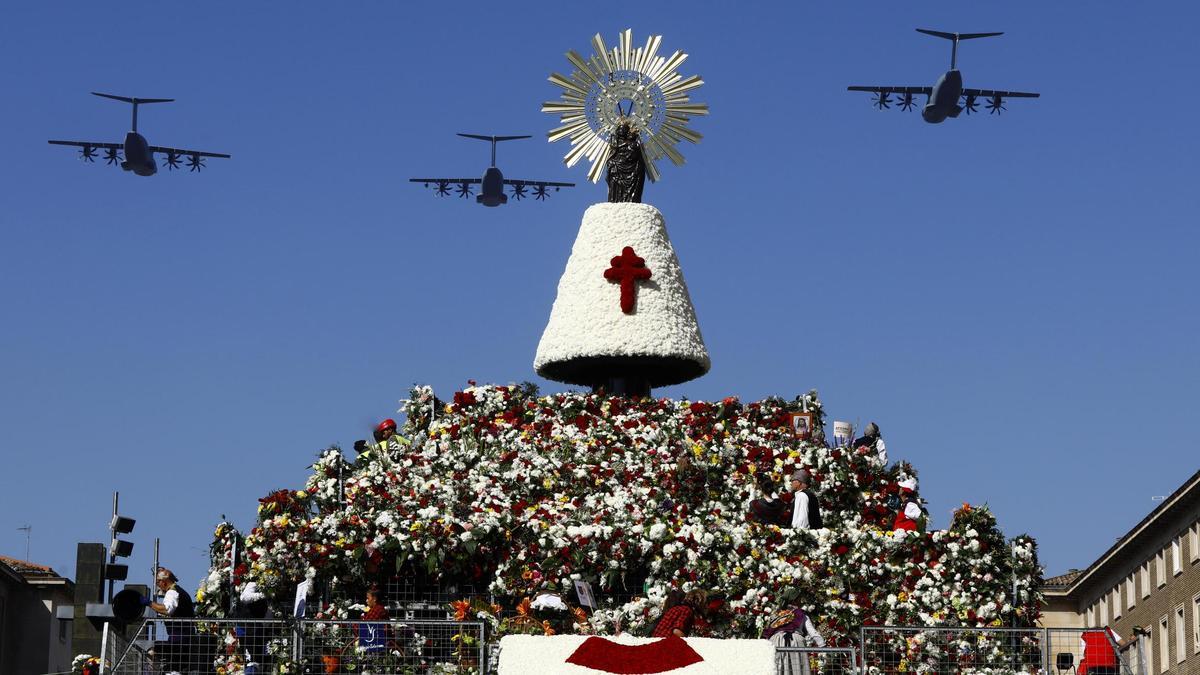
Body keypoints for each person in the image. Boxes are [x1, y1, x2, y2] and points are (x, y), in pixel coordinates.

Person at [762, 590, 825, 675]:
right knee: (796, 670)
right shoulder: (801, 614)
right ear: (794, 600)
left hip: (775, 643)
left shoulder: (777, 615)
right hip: (794, 642)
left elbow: (768, 632)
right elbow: (813, 633)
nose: (801, 601)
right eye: (799, 599)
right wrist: (823, 646)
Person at [147, 568, 195, 675]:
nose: (158, 586)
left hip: (179, 640)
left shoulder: (172, 592)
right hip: (185, 637)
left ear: (163, 581)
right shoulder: (181, 591)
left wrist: (149, 603)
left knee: (151, 652)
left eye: (157, 582)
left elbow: (167, 609)